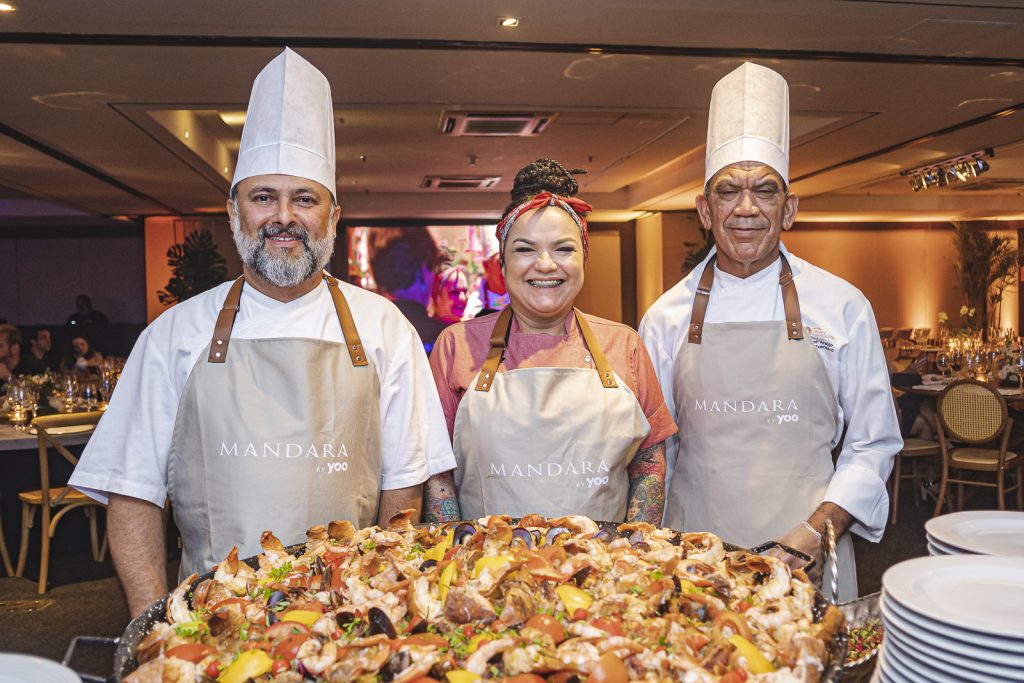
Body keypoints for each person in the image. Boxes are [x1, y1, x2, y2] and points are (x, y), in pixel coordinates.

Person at [70, 48, 455, 616]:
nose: (283, 217)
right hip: (211, 618)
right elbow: (132, 495)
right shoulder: (174, 335)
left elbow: (403, 489)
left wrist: (382, 607)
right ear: (234, 212)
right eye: (263, 197)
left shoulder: (383, 328)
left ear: (333, 215)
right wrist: (153, 630)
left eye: (304, 198)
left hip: (344, 617)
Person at [639, 63, 901, 600]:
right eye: (729, 190)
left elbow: (873, 442)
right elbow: (651, 451)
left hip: (808, 554)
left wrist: (812, 535)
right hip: (693, 559)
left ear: (791, 208)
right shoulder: (665, 317)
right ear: (704, 211)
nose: (747, 207)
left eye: (765, 190)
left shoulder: (843, 306)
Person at [425, 159, 677, 524]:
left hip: (604, 570)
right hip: (485, 569)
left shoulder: (625, 345)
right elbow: (437, 471)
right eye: (525, 249)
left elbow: (649, 460)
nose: (545, 264)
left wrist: (637, 545)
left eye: (563, 249)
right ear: (502, 264)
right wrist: (452, 557)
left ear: (584, 259)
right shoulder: (456, 346)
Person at [370, 231, 446, 350]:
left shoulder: (364, 334)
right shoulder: (444, 338)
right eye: (431, 268)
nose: (434, 277)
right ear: (421, 272)